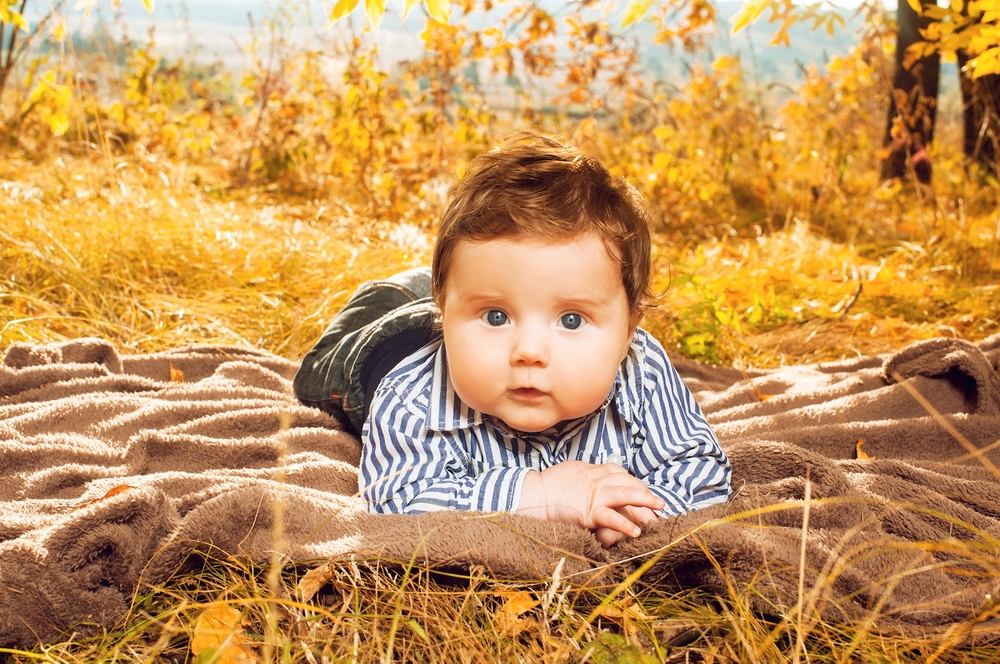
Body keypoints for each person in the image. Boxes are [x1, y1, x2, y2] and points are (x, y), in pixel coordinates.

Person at [294, 132, 731, 547]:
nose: (529, 351)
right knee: (320, 370)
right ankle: (400, 292)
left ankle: (463, 292)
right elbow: (396, 502)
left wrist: (632, 515)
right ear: (444, 313)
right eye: (497, 317)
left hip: (454, 296)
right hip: (381, 348)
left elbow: (700, 472)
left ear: (628, 332)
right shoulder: (410, 398)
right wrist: (539, 494)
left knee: (487, 283)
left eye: (572, 320)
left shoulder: (642, 371)